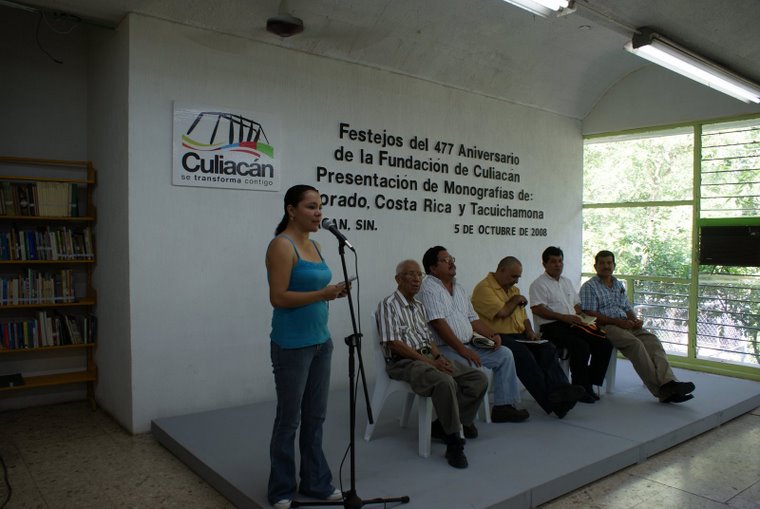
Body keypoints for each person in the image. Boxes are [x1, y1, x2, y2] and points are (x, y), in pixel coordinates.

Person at [266, 185, 347, 509]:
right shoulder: (281, 246)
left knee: (316, 417)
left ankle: (315, 482)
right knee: (289, 420)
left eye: (320, 207)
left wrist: (334, 292)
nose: (319, 213)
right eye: (312, 207)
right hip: (292, 346)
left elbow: (317, 288)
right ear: (291, 210)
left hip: (320, 342)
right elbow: (278, 297)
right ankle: (282, 488)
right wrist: (323, 294)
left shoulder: (314, 244)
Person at [377, 259, 488, 469]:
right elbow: (394, 343)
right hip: (404, 361)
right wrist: (429, 361)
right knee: (445, 381)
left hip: (427, 357)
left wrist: (438, 358)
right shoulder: (388, 304)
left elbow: (428, 340)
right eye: (410, 274)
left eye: (419, 274)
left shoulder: (419, 306)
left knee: (477, 378)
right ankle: (454, 443)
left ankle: (445, 425)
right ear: (398, 279)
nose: (416, 279)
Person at [419, 246, 529, 423]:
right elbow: (438, 324)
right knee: (474, 372)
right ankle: (460, 420)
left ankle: (503, 407)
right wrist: (463, 350)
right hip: (442, 349)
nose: (451, 262)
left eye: (451, 258)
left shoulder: (459, 288)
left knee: (505, 354)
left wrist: (492, 334)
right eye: (445, 260)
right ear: (433, 268)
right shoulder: (429, 289)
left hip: (468, 344)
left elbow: (473, 319)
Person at [472, 256, 586, 418]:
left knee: (547, 348)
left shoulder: (512, 289)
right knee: (522, 355)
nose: (516, 281)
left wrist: (531, 332)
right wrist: (516, 299)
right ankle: (553, 401)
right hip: (495, 336)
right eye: (514, 276)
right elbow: (503, 312)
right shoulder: (484, 288)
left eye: (519, 277)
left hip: (518, 335)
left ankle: (562, 390)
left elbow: (524, 317)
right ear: (501, 270)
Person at [580, 250, 695, 403]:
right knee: (635, 345)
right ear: (595, 266)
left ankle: (669, 382)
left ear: (614, 265)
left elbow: (627, 308)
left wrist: (635, 320)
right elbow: (590, 313)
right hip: (606, 326)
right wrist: (618, 322)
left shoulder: (617, 284)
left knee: (653, 342)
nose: (606, 266)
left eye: (609, 263)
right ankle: (661, 390)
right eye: (602, 263)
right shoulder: (590, 286)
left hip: (626, 324)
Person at [529, 246, 613, 403]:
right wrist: (563, 317)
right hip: (551, 327)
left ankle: (589, 381)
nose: (558, 265)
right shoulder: (539, 284)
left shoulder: (566, 282)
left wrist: (580, 316)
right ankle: (581, 388)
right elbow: (537, 309)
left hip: (572, 323)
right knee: (581, 346)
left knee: (604, 342)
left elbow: (576, 304)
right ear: (544, 264)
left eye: (560, 261)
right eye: (553, 262)